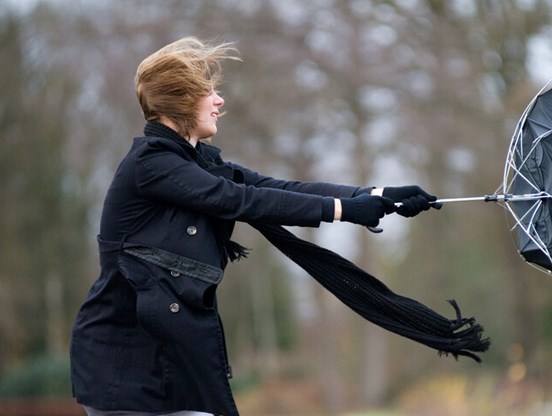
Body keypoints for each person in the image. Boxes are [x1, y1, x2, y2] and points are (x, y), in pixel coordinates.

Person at [70, 37, 438, 416]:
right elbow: (238, 200)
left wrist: (376, 194)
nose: (219, 101)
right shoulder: (151, 164)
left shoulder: (196, 162)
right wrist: (344, 210)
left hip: (168, 364)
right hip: (124, 370)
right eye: (208, 92)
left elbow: (276, 188)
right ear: (181, 100)